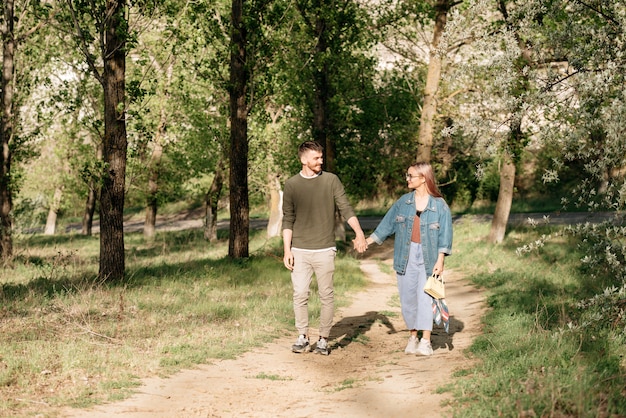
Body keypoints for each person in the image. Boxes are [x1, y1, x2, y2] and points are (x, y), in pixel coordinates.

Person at [282, 141, 368, 355]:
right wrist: (287, 250)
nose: (321, 161)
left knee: (326, 295)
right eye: (316, 158)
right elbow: (288, 220)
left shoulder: (331, 180)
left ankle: (323, 338)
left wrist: (359, 233)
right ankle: (302, 336)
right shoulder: (292, 185)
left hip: (325, 249)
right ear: (303, 160)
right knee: (300, 294)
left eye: (321, 157)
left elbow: (345, 208)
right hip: (299, 250)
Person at [365, 162, 453, 356]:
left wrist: (441, 260)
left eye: (411, 176)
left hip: (429, 257)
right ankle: (413, 336)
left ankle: (426, 341)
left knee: (426, 297)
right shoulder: (403, 203)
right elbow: (386, 226)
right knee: (408, 298)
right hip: (406, 255)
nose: (407, 179)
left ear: (423, 178)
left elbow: (445, 235)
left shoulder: (439, 205)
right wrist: (366, 242)